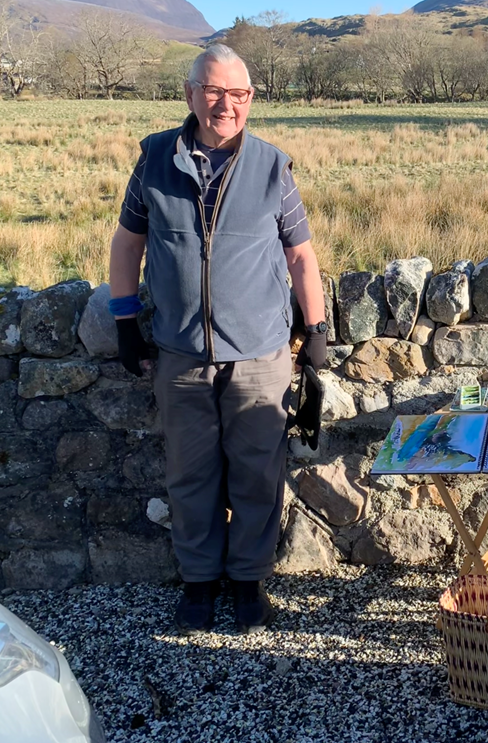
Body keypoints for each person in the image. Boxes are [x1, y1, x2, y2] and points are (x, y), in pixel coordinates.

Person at [108, 44, 328, 635]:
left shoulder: (271, 167)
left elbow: (301, 256)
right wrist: (125, 322)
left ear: (251, 99)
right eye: (212, 91)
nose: (224, 104)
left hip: (259, 351)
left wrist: (316, 331)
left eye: (237, 94)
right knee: (190, 473)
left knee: (257, 471)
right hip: (180, 350)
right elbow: (128, 245)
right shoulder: (154, 159)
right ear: (189, 94)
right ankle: (200, 582)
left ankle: (250, 582)